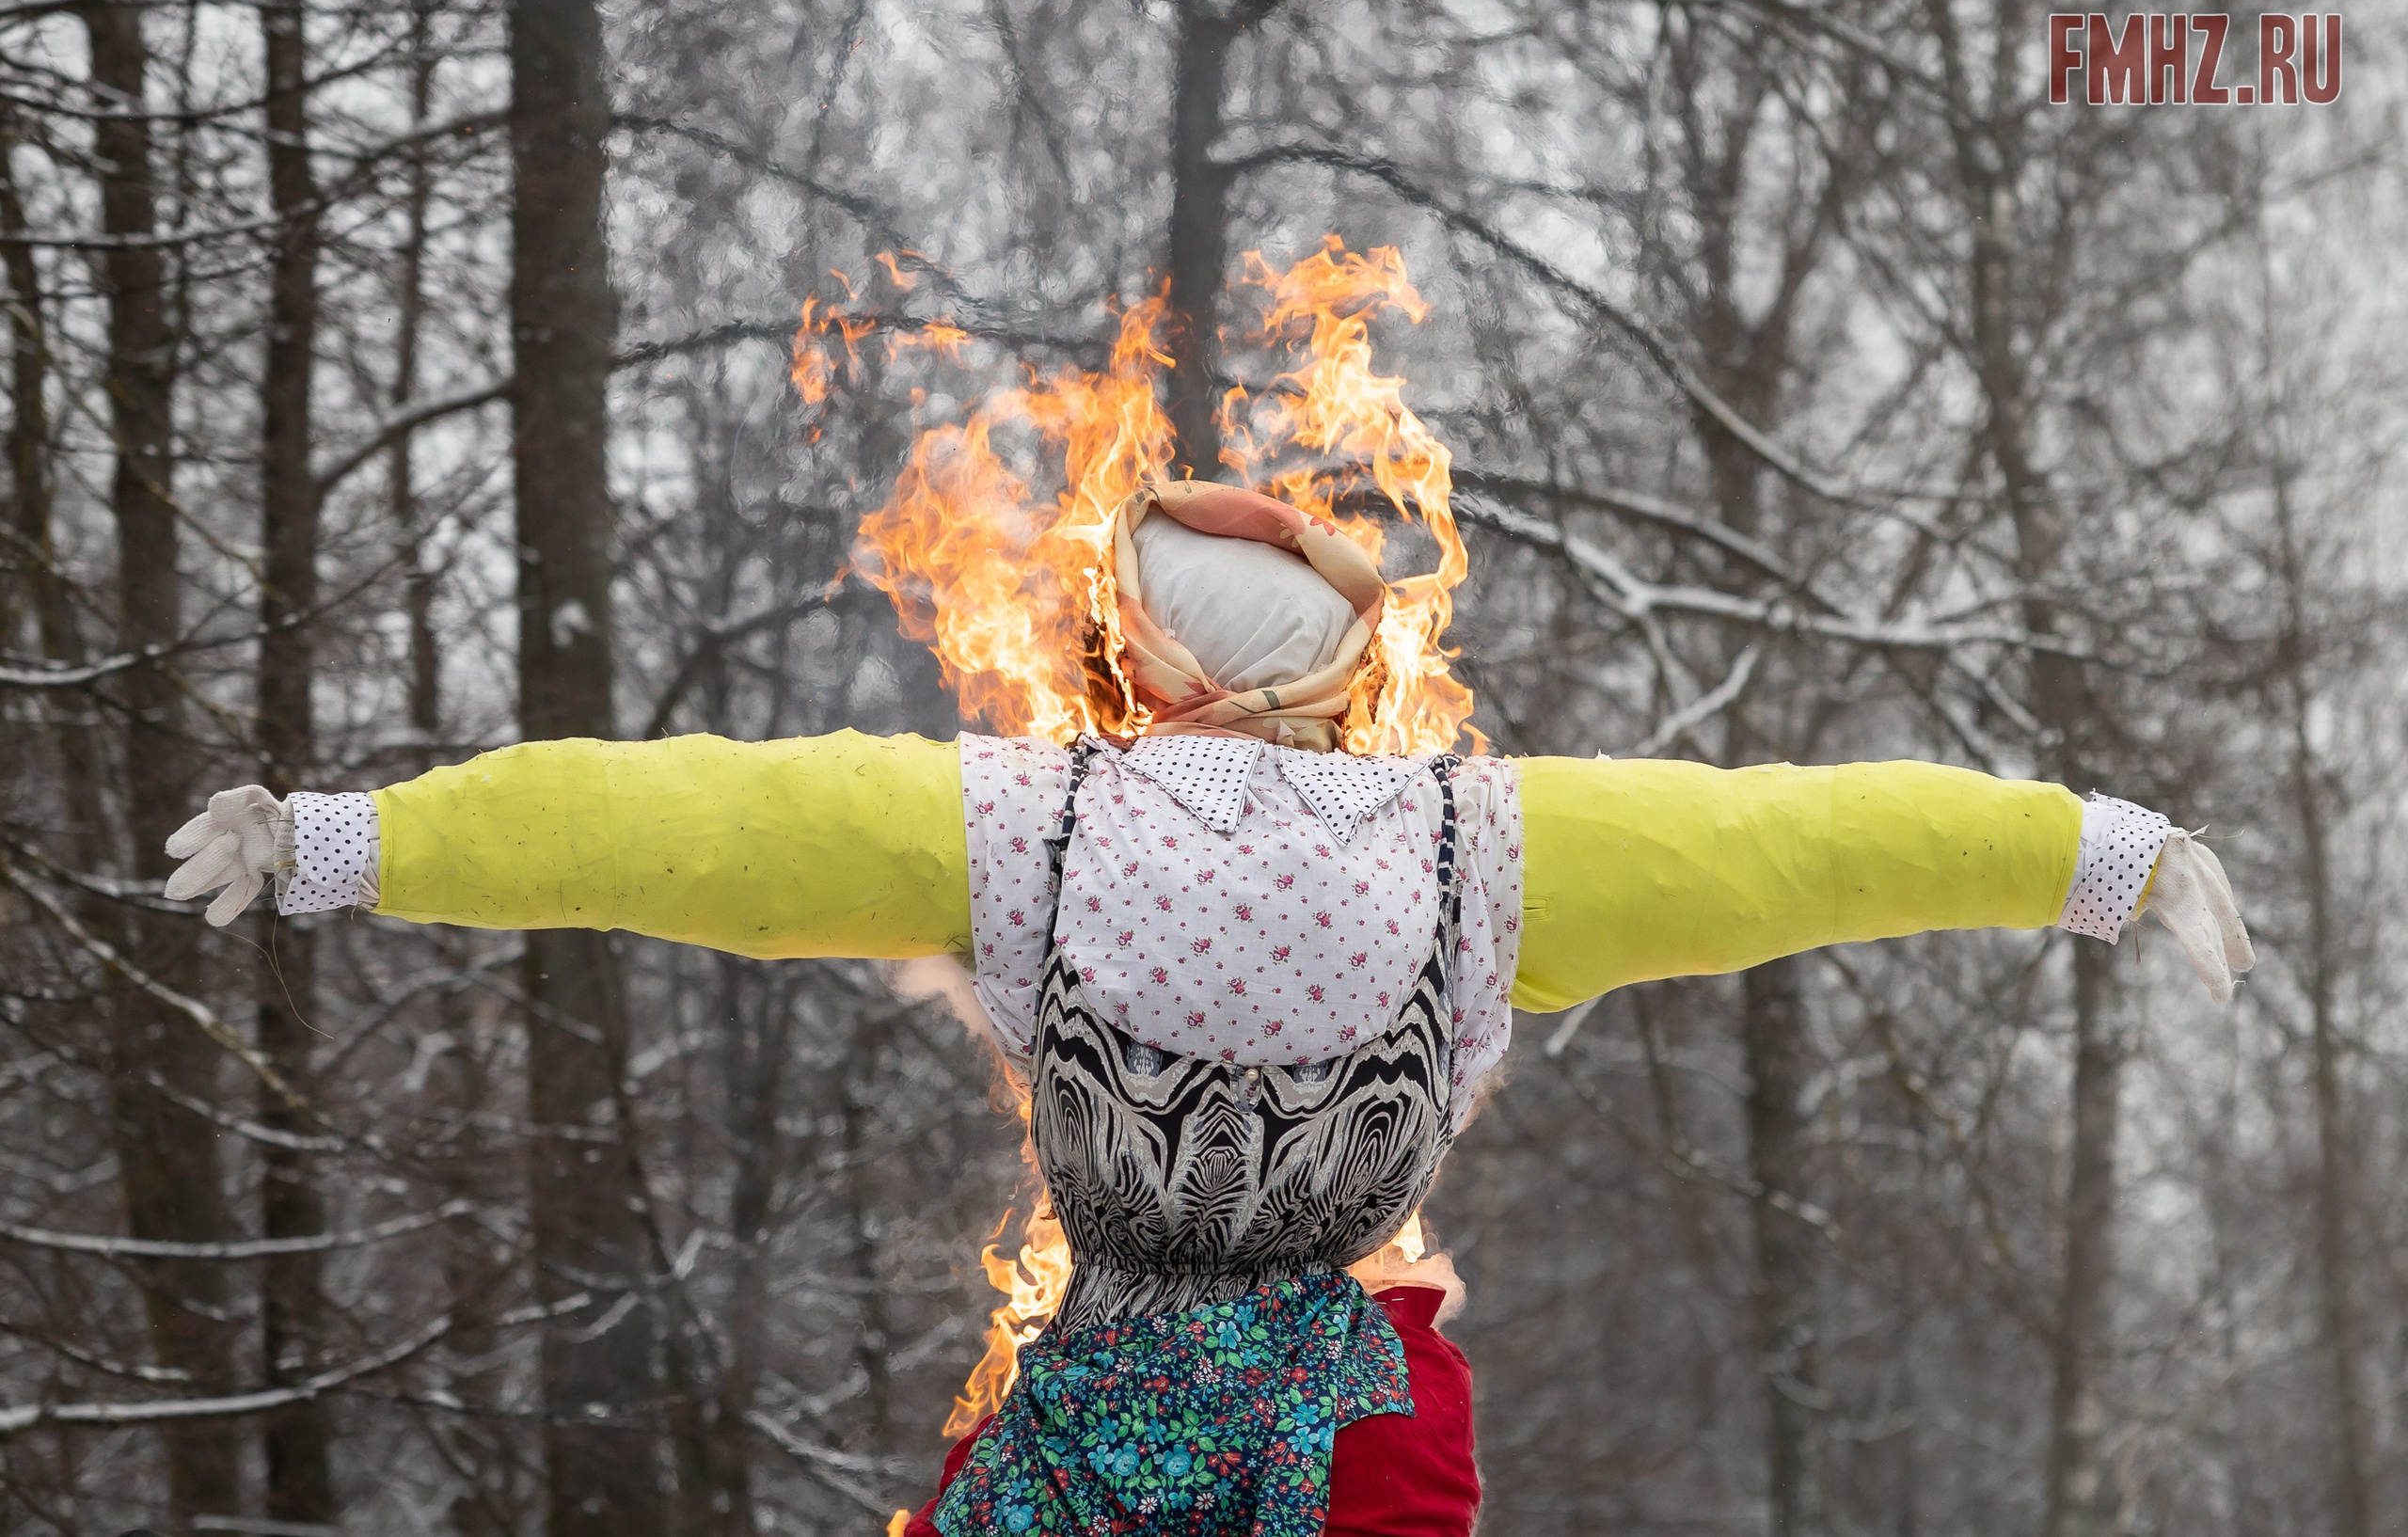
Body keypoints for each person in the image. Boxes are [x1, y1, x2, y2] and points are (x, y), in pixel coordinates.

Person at [164, 481, 2250, 1536]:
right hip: (1359, 1434)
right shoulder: (1481, 845)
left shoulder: (1028, 823)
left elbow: (678, 826)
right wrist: (2096, 853)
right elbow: (1807, 846)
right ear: (1348, 678)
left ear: (1141, 657)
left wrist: (354, 840)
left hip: (1091, 1421)